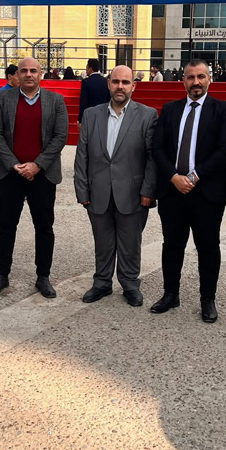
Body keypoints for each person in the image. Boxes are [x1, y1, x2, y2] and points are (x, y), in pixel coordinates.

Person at [150, 59, 226, 323]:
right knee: (172, 244)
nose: (196, 82)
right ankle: (170, 294)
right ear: (183, 81)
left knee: (208, 246)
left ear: (209, 79)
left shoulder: (222, 109)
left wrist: (194, 176)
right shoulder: (170, 109)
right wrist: (174, 177)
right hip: (173, 190)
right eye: (191, 77)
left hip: (207, 192)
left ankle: (207, 299)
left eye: (201, 76)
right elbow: (158, 148)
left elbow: (225, 150)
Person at [74, 65, 157, 307]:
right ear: (108, 84)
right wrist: (82, 190)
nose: (120, 86)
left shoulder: (147, 115)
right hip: (98, 191)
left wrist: (148, 191)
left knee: (130, 243)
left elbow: (152, 158)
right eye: (116, 81)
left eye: (125, 82)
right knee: (102, 242)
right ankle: (102, 283)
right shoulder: (91, 115)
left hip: (133, 193)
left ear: (134, 86)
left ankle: (130, 284)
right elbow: (82, 155)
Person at [0, 57, 69, 298]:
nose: (29, 74)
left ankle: (43, 277)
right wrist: (15, 164)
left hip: (43, 175)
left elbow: (60, 136)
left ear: (41, 74)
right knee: (6, 226)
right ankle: (2, 275)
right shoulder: (3, 98)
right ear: (17, 75)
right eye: (24, 71)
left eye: (33, 70)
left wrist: (37, 165)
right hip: (9, 174)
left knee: (44, 227)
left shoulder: (56, 100)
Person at [78, 58, 109, 123]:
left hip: (90, 115)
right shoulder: (105, 81)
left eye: (86, 68)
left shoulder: (86, 82)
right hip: (103, 114)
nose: (86, 70)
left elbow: (83, 101)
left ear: (90, 69)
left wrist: (80, 119)